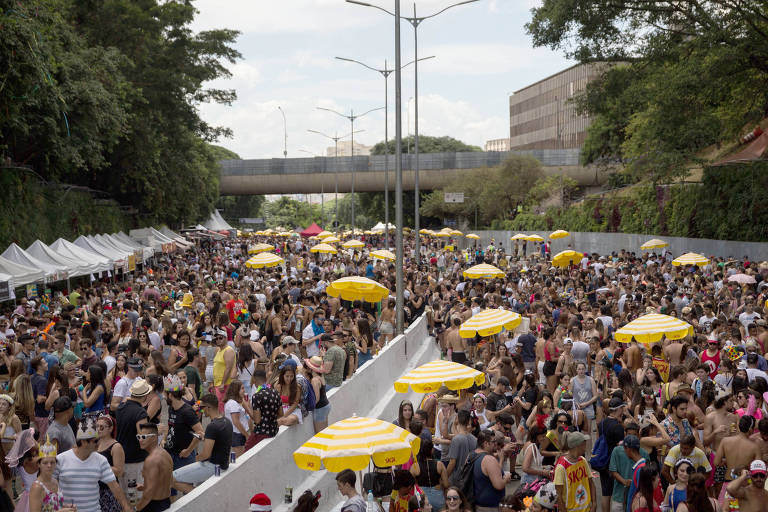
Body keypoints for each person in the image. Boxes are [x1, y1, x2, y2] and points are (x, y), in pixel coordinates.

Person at [55, 416, 131, 512]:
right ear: (83, 442)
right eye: (95, 441)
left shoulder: (101, 460)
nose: (99, 443)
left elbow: (114, 486)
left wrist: (126, 507)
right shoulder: (61, 459)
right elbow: (48, 485)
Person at [172, 394, 232, 494]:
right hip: (223, 465)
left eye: (202, 408)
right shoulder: (226, 421)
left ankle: (196, 495)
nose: (201, 411)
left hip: (212, 466)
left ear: (208, 407)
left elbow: (205, 455)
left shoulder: (212, 426)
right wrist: (205, 437)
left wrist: (194, 460)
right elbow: (220, 441)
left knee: (171, 478)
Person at [115, 377, 151, 501]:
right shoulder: (140, 413)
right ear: (145, 396)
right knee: (135, 498)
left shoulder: (120, 408)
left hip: (121, 457)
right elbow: (143, 438)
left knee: (124, 497)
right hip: (136, 460)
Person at [163, 374, 204, 470]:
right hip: (170, 454)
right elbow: (170, 426)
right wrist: (164, 439)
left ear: (170, 395)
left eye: (165, 394)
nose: (164, 397)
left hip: (183, 458)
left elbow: (200, 433)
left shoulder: (187, 411)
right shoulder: (171, 408)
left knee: (182, 484)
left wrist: (188, 451)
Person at [28, 436, 74, 512]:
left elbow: (55, 506)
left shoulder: (55, 481)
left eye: (52, 462)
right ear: (39, 465)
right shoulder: (37, 487)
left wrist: (68, 507)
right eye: (45, 463)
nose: (49, 465)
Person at [554, 431, 596, 512]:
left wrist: (594, 504)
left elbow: (591, 483)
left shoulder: (582, 460)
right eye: (584, 445)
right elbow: (558, 494)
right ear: (577, 446)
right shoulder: (561, 467)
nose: (585, 447)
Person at [134, 423, 172, 512]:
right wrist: (144, 487)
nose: (140, 440)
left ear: (154, 437)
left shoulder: (151, 460)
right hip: (165, 502)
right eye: (138, 437)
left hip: (153, 506)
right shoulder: (165, 454)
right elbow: (169, 481)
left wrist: (136, 509)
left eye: (144, 437)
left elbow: (148, 493)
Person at [472, 429, 511, 512]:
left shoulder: (471, 455)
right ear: (486, 443)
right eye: (493, 441)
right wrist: (506, 478)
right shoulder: (489, 460)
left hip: (477, 504)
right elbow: (499, 485)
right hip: (490, 507)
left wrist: (500, 459)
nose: (496, 444)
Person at [244, 369, 282, 451]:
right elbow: (281, 414)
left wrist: (247, 407)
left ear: (254, 380)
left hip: (262, 432)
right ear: (265, 378)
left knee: (246, 450)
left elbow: (257, 421)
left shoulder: (257, 396)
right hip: (274, 429)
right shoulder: (275, 393)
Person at [609, 434, 648, 512]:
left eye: (624, 448)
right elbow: (612, 471)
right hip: (622, 499)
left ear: (628, 449)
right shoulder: (642, 465)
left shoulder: (640, 469)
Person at [96, 414, 124, 512]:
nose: (98, 429)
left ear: (110, 429)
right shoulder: (95, 444)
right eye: (97, 426)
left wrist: (99, 465)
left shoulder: (116, 446)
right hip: (94, 489)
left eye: (102, 427)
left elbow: (119, 471)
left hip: (108, 490)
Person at [410, 439, 448, 511]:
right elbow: (446, 485)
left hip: (423, 499)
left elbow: (411, 485)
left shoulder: (415, 467)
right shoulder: (439, 464)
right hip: (438, 497)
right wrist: (440, 483)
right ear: (432, 450)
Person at [445, 409, 476, 486]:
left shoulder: (456, 439)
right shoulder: (474, 439)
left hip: (457, 479)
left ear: (457, 419)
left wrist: (444, 478)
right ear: (469, 421)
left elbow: (452, 462)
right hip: (470, 478)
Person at [212, 328, 236, 413]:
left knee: (223, 406)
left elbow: (228, 368)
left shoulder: (228, 350)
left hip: (225, 384)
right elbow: (216, 366)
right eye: (216, 338)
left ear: (226, 338)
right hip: (217, 383)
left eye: (220, 338)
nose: (218, 340)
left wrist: (222, 383)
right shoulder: (218, 350)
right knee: (219, 405)